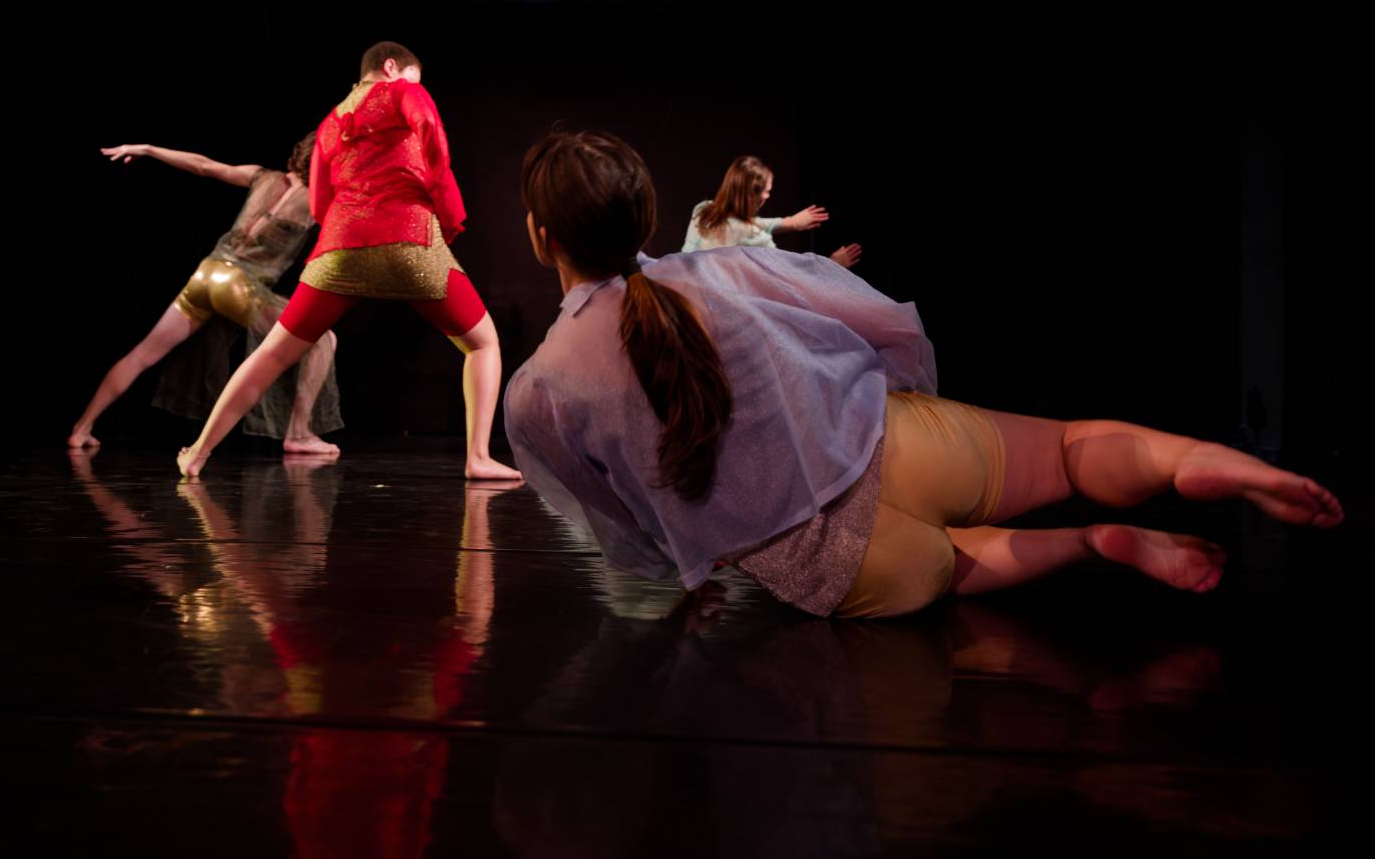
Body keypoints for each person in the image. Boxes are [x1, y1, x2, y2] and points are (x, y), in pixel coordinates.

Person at [505, 131, 1344, 618]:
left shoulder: (540, 390)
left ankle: (1091, 544)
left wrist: (692, 567)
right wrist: (903, 385)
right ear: (646, 215)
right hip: (892, 440)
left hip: (833, 560)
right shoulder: (710, 272)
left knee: (952, 558)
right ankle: (1222, 464)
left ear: (543, 236)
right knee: (1071, 445)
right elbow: (864, 310)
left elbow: (622, 529)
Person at [176, 42, 519, 481]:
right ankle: (477, 458)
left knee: (273, 354)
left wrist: (338, 231)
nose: (417, 87)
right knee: (483, 343)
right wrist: (450, 215)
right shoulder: (404, 93)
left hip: (340, 248)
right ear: (391, 67)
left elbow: (319, 197)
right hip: (408, 240)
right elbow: (432, 135)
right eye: (414, 78)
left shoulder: (331, 121)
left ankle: (198, 452)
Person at [67, 137, 341, 454]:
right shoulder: (318, 201)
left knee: (142, 355)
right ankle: (299, 434)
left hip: (206, 274)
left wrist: (148, 149)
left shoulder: (260, 175)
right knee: (322, 340)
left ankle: (81, 428)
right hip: (238, 285)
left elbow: (204, 166)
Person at [682, 154, 862, 268]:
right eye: (767, 191)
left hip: (682, 293)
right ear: (752, 195)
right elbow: (792, 272)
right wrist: (832, 265)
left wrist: (790, 223)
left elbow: (734, 224)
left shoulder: (703, 210)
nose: (768, 196)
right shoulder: (755, 237)